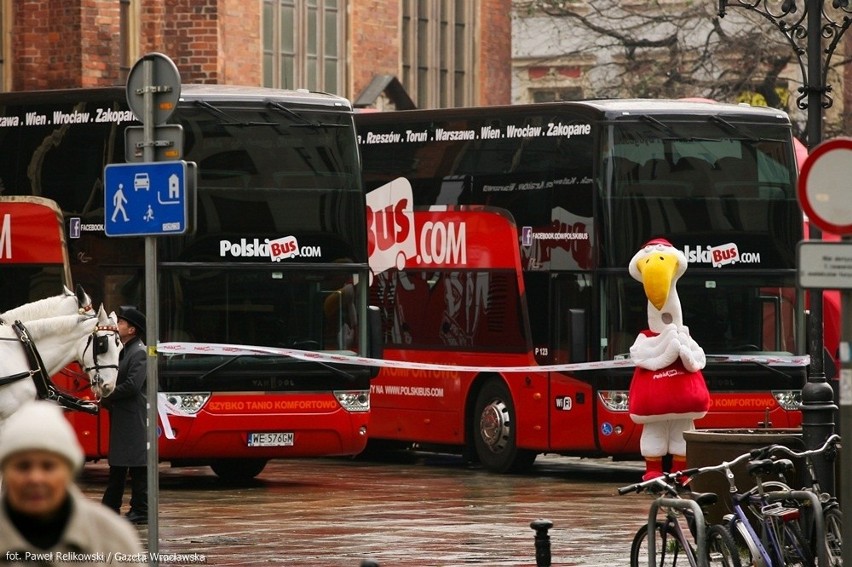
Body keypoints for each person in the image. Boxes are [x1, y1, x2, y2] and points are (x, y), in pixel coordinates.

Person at [0, 400, 144, 565]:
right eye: (22, 466)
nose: (35, 478)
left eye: (48, 466)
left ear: (69, 471)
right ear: (5, 471)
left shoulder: (112, 538)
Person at [101, 305, 148, 524]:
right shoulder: (124, 349)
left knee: (137, 466)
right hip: (123, 416)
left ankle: (140, 510)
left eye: (121, 323)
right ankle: (111, 508)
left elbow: (132, 386)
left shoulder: (139, 352)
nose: (117, 325)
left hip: (133, 417)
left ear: (132, 330)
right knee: (119, 465)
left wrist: (108, 395)